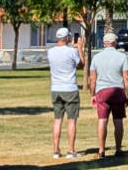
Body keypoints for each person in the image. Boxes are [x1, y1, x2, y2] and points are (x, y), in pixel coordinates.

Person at [89, 30, 128, 158]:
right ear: (115, 43)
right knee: (118, 120)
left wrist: (92, 94)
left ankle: (101, 150)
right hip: (117, 90)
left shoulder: (97, 57)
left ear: (104, 43)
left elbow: (92, 78)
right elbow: (127, 77)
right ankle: (118, 149)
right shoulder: (121, 57)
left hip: (102, 91)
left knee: (102, 120)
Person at [48, 27, 84, 159]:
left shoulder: (50, 52)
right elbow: (81, 64)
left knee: (57, 120)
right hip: (70, 88)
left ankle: (56, 150)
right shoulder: (71, 51)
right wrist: (79, 48)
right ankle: (71, 150)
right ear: (68, 38)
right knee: (71, 121)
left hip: (56, 88)